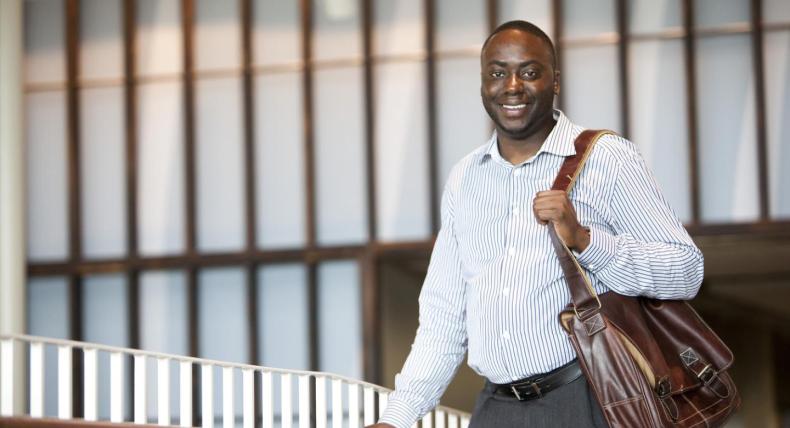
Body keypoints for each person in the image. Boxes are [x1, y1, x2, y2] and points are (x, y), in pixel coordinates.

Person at [369, 20, 703, 428]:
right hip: (496, 409)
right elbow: (443, 317)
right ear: (482, 84)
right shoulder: (465, 178)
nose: (512, 86)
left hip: (585, 400)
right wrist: (396, 418)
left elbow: (686, 271)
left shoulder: (607, 159)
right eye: (497, 73)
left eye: (529, 72)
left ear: (555, 81)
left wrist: (585, 240)